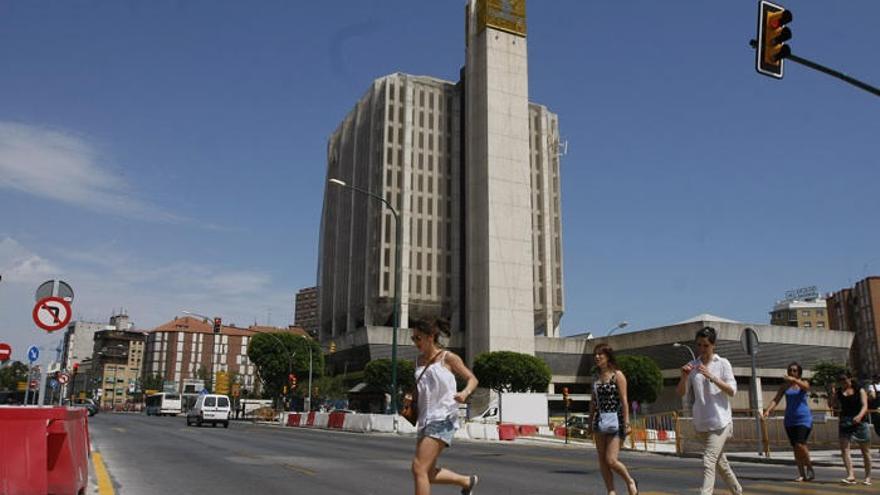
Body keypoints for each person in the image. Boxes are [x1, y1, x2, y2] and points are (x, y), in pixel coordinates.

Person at [409, 318, 479, 495]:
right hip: (424, 420)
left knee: (419, 468)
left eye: (418, 338)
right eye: (413, 338)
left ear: (430, 337)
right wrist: (410, 399)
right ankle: (466, 481)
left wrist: (464, 393)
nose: (415, 342)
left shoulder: (448, 358)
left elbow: (472, 379)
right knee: (428, 473)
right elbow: (421, 389)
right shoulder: (417, 362)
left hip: (443, 417)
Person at [676, 326, 742, 495]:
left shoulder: (722, 363)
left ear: (713, 345)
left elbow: (732, 390)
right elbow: (681, 393)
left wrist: (712, 377)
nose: (701, 349)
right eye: (699, 345)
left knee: (709, 460)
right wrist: (684, 377)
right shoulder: (693, 366)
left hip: (720, 421)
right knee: (721, 463)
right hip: (702, 423)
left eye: (705, 345)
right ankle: (737, 490)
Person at [589, 343, 638, 495]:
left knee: (611, 460)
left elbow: (624, 401)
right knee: (602, 461)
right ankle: (611, 491)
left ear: (608, 357)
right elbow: (593, 402)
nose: (597, 357)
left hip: (616, 421)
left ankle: (629, 480)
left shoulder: (618, 375)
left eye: (600, 354)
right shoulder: (595, 378)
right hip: (599, 421)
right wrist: (590, 422)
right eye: (595, 355)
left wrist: (627, 422)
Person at [762, 362, 815, 481]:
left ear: (799, 372)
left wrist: (794, 380)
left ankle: (810, 467)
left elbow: (806, 387)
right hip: (790, 420)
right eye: (790, 370)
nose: (792, 372)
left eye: (795, 370)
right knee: (796, 447)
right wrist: (768, 410)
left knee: (800, 444)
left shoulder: (803, 383)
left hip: (803, 419)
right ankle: (802, 474)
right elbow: (776, 399)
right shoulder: (785, 386)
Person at [828, 370, 872, 486]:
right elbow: (832, 405)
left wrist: (859, 416)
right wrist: (832, 394)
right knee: (844, 449)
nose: (842, 382)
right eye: (840, 380)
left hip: (860, 422)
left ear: (850, 378)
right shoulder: (839, 392)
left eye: (844, 379)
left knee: (865, 451)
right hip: (845, 421)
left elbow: (865, 405)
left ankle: (867, 477)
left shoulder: (859, 390)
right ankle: (851, 475)